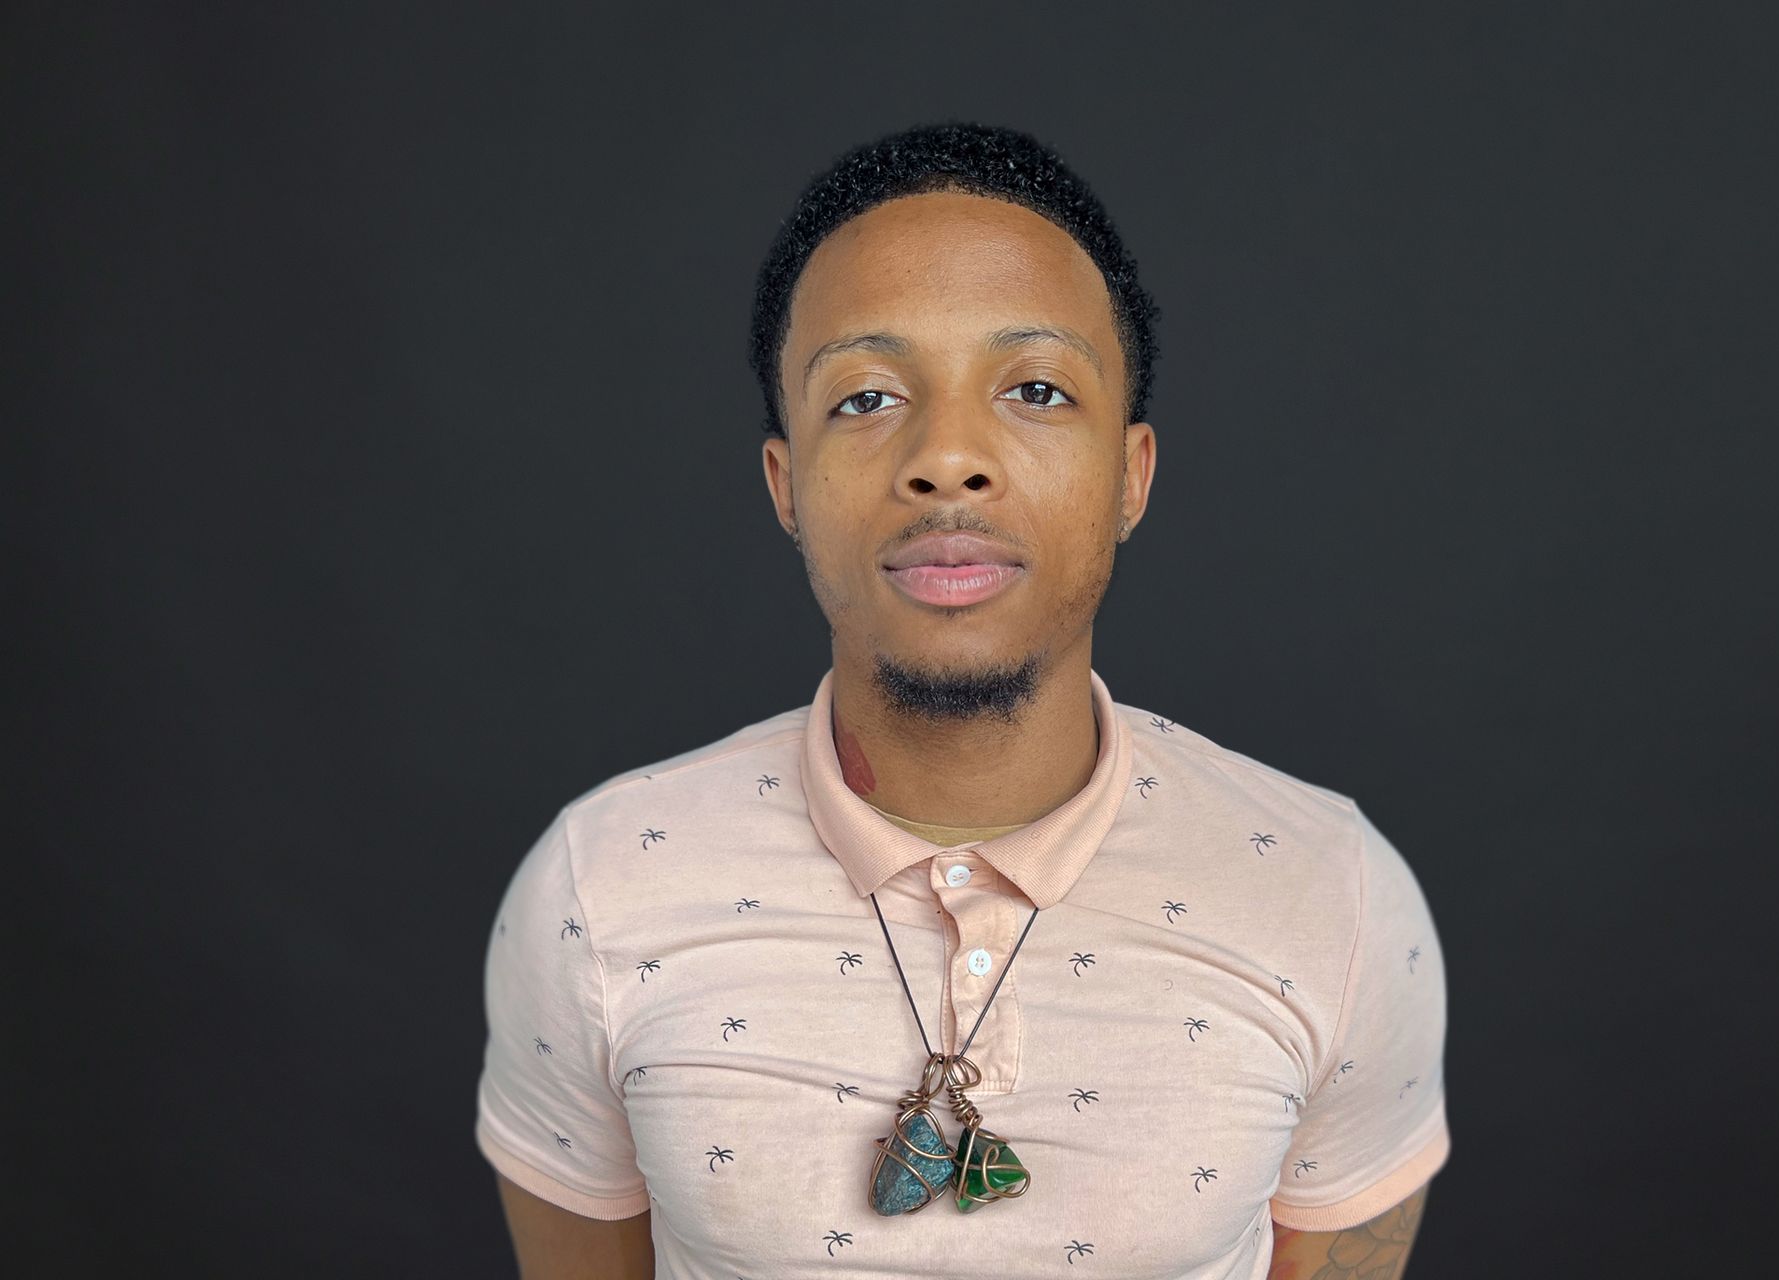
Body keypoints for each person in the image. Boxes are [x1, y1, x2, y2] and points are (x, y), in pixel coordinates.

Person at [474, 120, 1449, 1280]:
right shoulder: (598, 884)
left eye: (1035, 388)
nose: (948, 458)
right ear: (786, 482)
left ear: (1130, 475)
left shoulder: (1333, 894)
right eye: (867, 397)